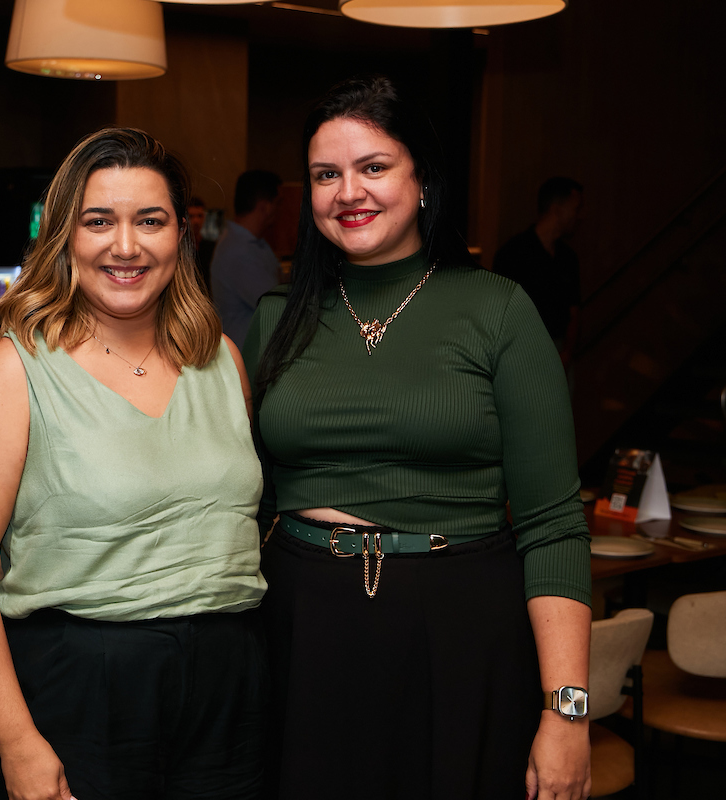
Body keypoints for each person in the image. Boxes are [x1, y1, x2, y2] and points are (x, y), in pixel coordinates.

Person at [243, 75, 592, 800]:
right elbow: (246, 500)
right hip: (301, 624)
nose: (349, 192)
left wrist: (568, 711)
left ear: (423, 180)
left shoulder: (496, 309)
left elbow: (553, 525)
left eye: (373, 167)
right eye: (325, 175)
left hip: (459, 624)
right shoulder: (278, 316)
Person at [0, 127, 267, 800]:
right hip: (81, 693)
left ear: (182, 233)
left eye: (151, 221)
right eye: (99, 221)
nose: (126, 246)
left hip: (231, 690)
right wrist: (17, 742)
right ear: (64, 237)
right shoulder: (13, 370)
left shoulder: (223, 361)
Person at [493, 177, 584, 366]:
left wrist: (566, 353)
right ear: (557, 208)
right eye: (575, 209)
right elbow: (499, 313)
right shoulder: (513, 254)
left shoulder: (568, 257)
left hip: (560, 353)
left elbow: (574, 311)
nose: (578, 216)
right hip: (521, 353)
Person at [210, 170, 282, 344]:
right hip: (245, 356)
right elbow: (276, 307)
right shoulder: (238, 250)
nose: (279, 210)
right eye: (278, 203)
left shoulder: (250, 242)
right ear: (265, 206)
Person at [187, 195, 216, 286]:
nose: (196, 221)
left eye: (200, 216)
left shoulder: (212, 246)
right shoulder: (179, 247)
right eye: (191, 216)